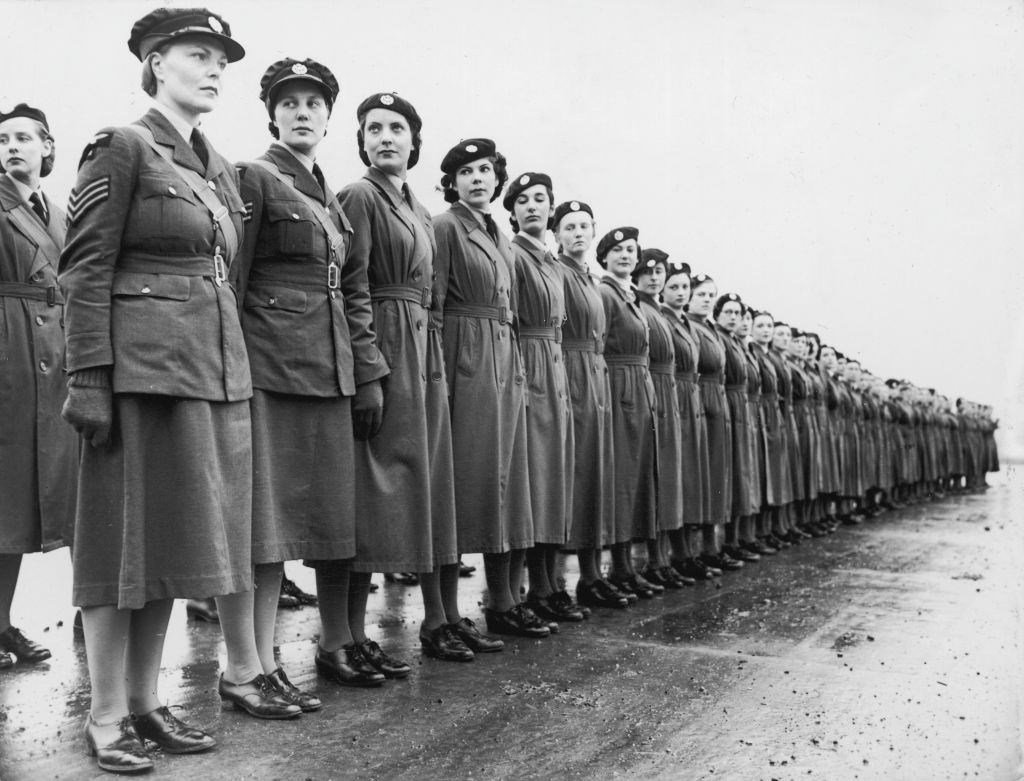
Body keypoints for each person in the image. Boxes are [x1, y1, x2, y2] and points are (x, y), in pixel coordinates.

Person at [59, 9, 297, 774]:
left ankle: (142, 704)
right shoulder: (123, 146)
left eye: (221, 57)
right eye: (199, 54)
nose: (215, 67)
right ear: (157, 63)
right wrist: (88, 376)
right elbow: (84, 269)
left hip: (206, 372)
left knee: (165, 546)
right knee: (116, 547)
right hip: (138, 376)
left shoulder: (214, 166)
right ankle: (103, 717)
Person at [233, 58, 391, 699]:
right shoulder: (255, 177)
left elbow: (351, 289)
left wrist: (366, 372)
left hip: (329, 372)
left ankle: (301, 653)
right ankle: (254, 663)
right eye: (290, 102)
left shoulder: (327, 196)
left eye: (314, 104)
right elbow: (233, 280)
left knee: (324, 520)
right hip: (270, 368)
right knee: (265, 529)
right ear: (271, 113)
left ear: (329, 118)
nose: (302, 112)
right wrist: (235, 368)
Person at [338, 91, 468, 663]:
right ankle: (351, 634)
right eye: (373, 129)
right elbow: (353, 287)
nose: (385, 137)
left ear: (414, 142)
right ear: (362, 141)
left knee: (429, 483)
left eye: (396, 128)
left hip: (424, 351)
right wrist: (370, 370)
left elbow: (434, 295)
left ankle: (440, 620)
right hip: (387, 347)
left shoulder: (418, 211)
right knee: (377, 489)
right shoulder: (359, 197)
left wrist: (433, 351)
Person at [433, 138, 543, 639]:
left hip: (503, 359)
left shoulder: (498, 235)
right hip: (464, 358)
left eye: (484, 170)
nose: (477, 178)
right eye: (465, 172)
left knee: (506, 483)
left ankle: (502, 599)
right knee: (460, 486)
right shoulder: (446, 228)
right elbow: (434, 307)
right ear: (452, 183)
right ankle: (445, 615)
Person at [0, 103, 77, 669]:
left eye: (24, 138)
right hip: (11, 356)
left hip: (61, 356)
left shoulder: (60, 210)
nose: (12, 148)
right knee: (7, 497)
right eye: (3, 140)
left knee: (75, 488)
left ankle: (92, 610)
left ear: (48, 147)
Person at [502, 173, 581, 623]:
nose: (533, 207)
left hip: (554, 365)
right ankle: (521, 590)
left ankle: (548, 583)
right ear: (511, 209)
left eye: (541, 200)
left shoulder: (550, 260)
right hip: (528, 364)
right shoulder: (513, 254)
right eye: (523, 200)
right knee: (529, 479)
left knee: (552, 478)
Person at [554, 201, 623, 610]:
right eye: (568, 227)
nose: (577, 233)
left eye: (583, 226)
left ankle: (593, 575)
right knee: (573, 477)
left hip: (596, 377)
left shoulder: (589, 279)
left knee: (597, 475)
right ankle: (560, 581)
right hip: (571, 373)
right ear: (558, 234)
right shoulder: (559, 272)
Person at [597, 227, 660, 600]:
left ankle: (625, 567)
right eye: (616, 250)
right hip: (618, 385)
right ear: (604, 257)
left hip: (638, 386)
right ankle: (615, 567)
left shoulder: (629, 295)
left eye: (629, 250)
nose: (624, 255)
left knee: (634, 479)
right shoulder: (606, 293)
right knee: (619, 480)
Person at [633, 249, 687, 589]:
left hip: (666, 394)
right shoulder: (640, 306)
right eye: (649, 271)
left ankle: (662, 558)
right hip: (649, 390)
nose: (655, 277)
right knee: (653, 479)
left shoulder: (656, 311)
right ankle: (653, 559)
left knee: (665, 480)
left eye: (660, 272)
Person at [683, 274, 737, 576]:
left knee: (714, 477)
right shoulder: (689, 324)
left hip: (715, 400)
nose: (705, 299)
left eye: (710, 295)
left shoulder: (708, 329)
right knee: (697, 477)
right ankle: (692, 551)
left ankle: (709, 547)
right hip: (699, 396)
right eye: (701, 294)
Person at [659, 260, 706, 583]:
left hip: (688, 398)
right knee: (669, 480)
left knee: (688, 478)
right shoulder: (663, 318)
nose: (679, 292)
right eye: (673, 286)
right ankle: (664, 558)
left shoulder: (686, 323)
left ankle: (684, 554)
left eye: (683, 287)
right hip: (668, 395)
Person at [714, 293, 758, 563]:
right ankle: (726, 542)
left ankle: (735, 539)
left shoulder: (736, 342)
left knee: (742, 476)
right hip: (726, 401)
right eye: (728, 312)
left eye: (737, 313)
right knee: (729, 476)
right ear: (718, 315)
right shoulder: (719, 337)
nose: (733, 318)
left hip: (738, 405)